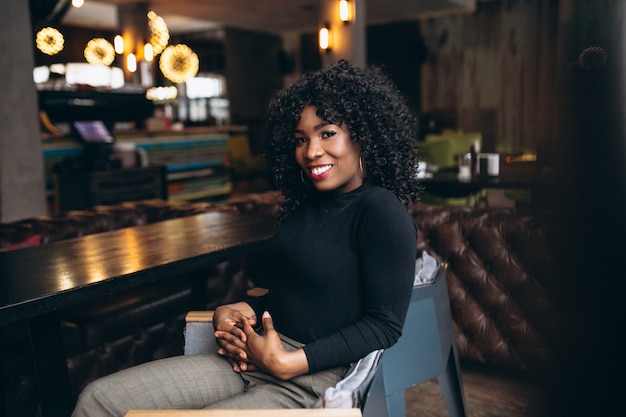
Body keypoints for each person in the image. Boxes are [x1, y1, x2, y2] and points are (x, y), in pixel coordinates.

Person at [72, 60, 421, 416]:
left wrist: (290, 362)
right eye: (301, 139)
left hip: (312, 376)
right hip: (252, 357)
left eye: (327, 133)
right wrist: (239, 309)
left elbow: (384, 325)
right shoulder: (306, 206)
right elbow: (305, 296)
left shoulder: (381, 213)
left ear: (363, 135)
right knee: (98, 400)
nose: (311, 151)